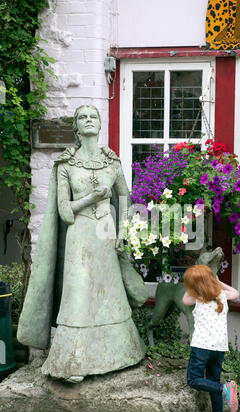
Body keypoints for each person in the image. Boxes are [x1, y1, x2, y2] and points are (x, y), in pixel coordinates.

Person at [17, 105, 147, 382]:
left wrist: (123, 234)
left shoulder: (112, 162)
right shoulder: (66, 165)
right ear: (76, 127)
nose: (88, 120)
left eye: (93, 116)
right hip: (79, 237)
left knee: (109, 296)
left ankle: (121, 354)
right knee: (77, 296)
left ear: (100, 125)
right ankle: (71, 363)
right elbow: (64, 212)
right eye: (82, 117)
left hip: (106, 235)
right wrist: (92, 198)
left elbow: (125, 198)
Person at [182, 264, 239, 412]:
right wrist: (218, 281)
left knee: (193, 379)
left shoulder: (197, 296)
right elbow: (236, 292)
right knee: (213, 379)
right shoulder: (222, 295)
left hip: (201, 347)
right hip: (219, 347)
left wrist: (192, 285)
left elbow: (185, 299)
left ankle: (224, 388)